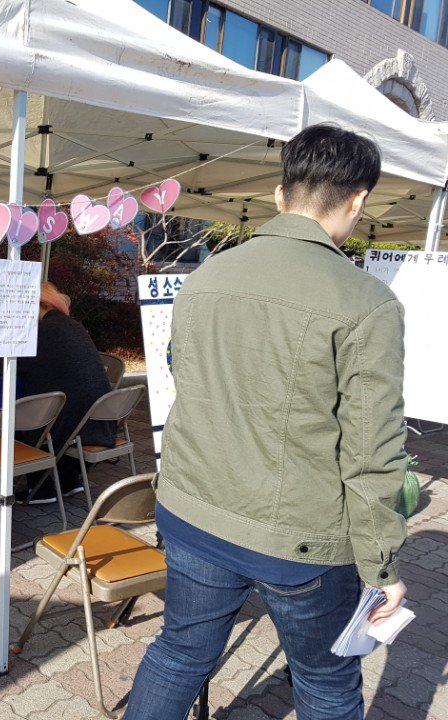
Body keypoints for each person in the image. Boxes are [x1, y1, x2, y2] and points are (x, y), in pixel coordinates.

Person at [123, 124, 408, 720]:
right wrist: (383, 565)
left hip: (194, 509)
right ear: (357, 200)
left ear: (280, 196)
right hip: (299, 538)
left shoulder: (203, 278)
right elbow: (372, 452)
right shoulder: (366, 302)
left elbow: (190, 387)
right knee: (326, 685)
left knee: (178, 654)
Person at [0, 282, 115, 503]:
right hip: (96, 418)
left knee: (25, 417)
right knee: (47, 406)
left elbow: (0, 367)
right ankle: (69, 481)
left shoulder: (42, 331)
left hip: (66, 421)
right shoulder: (72, 325)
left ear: (39, 305)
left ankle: (43, 489)